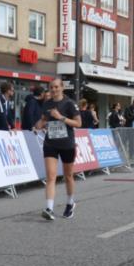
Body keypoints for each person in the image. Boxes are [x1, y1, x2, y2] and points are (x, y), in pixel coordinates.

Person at [33, 77, 82, 220]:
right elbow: (44, 119)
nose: (54, 90)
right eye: (51, 87)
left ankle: (70, 203)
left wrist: (61, 117)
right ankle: (49, 208)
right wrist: (38, 125)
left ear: (62, 88)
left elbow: (78, 123)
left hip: (67, 144)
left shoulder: (70, 103)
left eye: (56, 87)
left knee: (68, 176)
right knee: (50, 176)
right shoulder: (47, 104)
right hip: (51, 144)